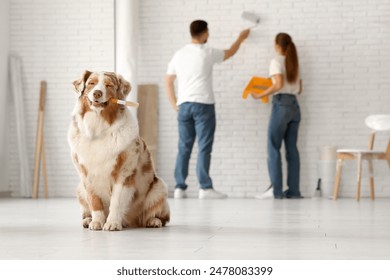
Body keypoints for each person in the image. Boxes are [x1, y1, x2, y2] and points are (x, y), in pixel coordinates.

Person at [165, 20, 250, 199]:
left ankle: (180, 188)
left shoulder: (179, 54)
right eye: (208, 32)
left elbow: (168, 81)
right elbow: (230, 52)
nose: (209, 35)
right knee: (204, 147)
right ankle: (205, 188)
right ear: (204, 33)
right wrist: (241, 38)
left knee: (184, 147)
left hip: (184, 106)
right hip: (203, 105)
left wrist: (174, 104)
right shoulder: (208, 52)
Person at [251, 33, 303, 199]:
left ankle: (276, 191)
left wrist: (260, 95)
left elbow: (278, 85)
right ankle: (294, 191)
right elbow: (299, 89)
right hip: (295, 106)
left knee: (273, 148)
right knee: (291, 150)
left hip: (281, 105)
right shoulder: (294, 63)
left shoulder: (276, 61)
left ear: (277, 45)